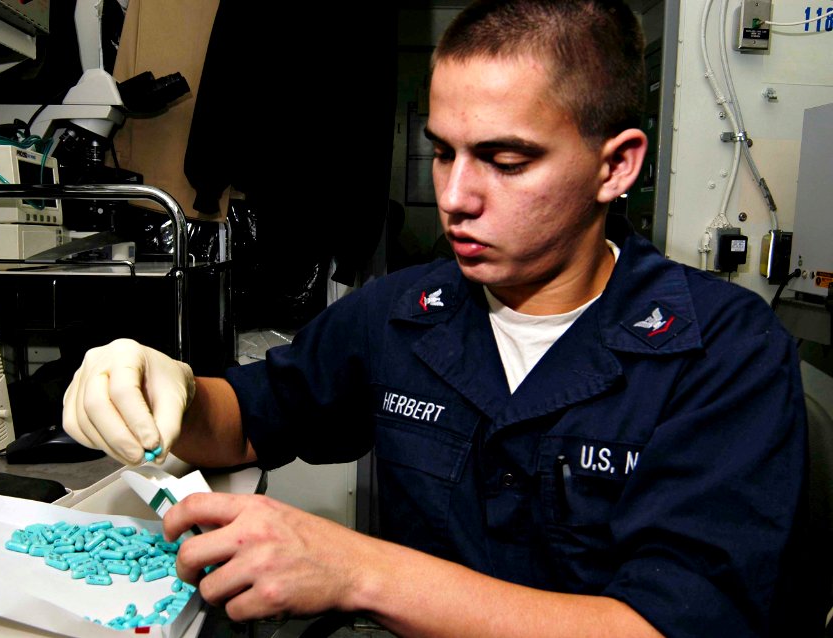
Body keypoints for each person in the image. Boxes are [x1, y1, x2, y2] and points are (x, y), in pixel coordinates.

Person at [63, 1, 808, 635]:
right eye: (443, 153)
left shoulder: (723, 351)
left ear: (616, 166)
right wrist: (167, 390)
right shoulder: (404, 312)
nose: (455, 196)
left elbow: (665, 627)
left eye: (505, 160)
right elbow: (252, 419)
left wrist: (356, 571)